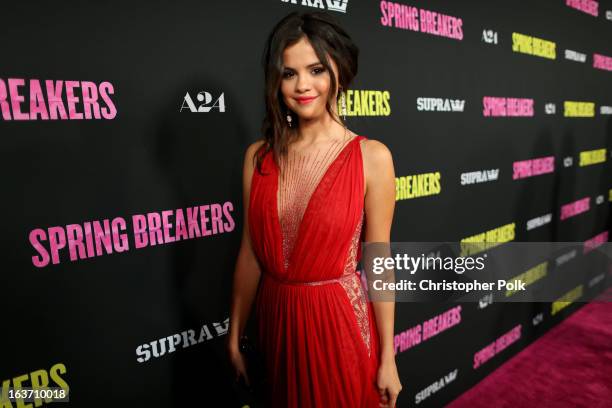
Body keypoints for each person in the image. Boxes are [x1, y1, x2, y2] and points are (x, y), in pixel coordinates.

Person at [227, 11, 401, 408]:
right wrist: (235, 333)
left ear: (340, 70)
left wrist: (388, 355)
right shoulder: (258, 158)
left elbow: (379, 260)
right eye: (289, 74)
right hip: (275, 323)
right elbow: (251, 252)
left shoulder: (371, 157)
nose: (302, 85)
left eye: (316, 69)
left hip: (337, 326)